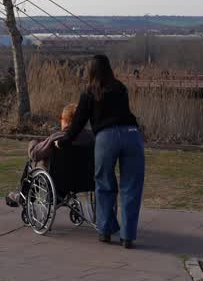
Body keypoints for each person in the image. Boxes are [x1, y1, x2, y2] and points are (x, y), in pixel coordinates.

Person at [56, 54, 145, 248]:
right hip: (132, 135)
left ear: (91, 71)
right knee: (131, 187)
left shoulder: (89, 92)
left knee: (104, 183)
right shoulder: (120, 88)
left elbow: (78, 122)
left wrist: (65, 140)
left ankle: (105, 231)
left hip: (107, 138)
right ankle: (127, 237)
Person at [5, 103, 93, 208]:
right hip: (86, 180)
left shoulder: (58, 138)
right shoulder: (93, 138)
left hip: (59, 179)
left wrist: (33, 143)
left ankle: (23, 197)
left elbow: (35, 154)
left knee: (32, 164)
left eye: (61, 118)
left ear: (65, 120)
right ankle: (60, 197)